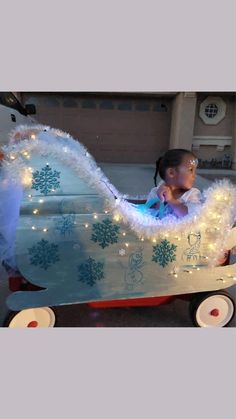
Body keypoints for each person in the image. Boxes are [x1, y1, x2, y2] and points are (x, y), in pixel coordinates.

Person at [146, 148, 202, 219]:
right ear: (171, 173)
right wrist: (159, 202)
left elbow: (192, 217)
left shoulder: (193, 194)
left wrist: (171, 200)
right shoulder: (155, 192)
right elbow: (148, 216)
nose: (195, 175)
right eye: (191, 170)